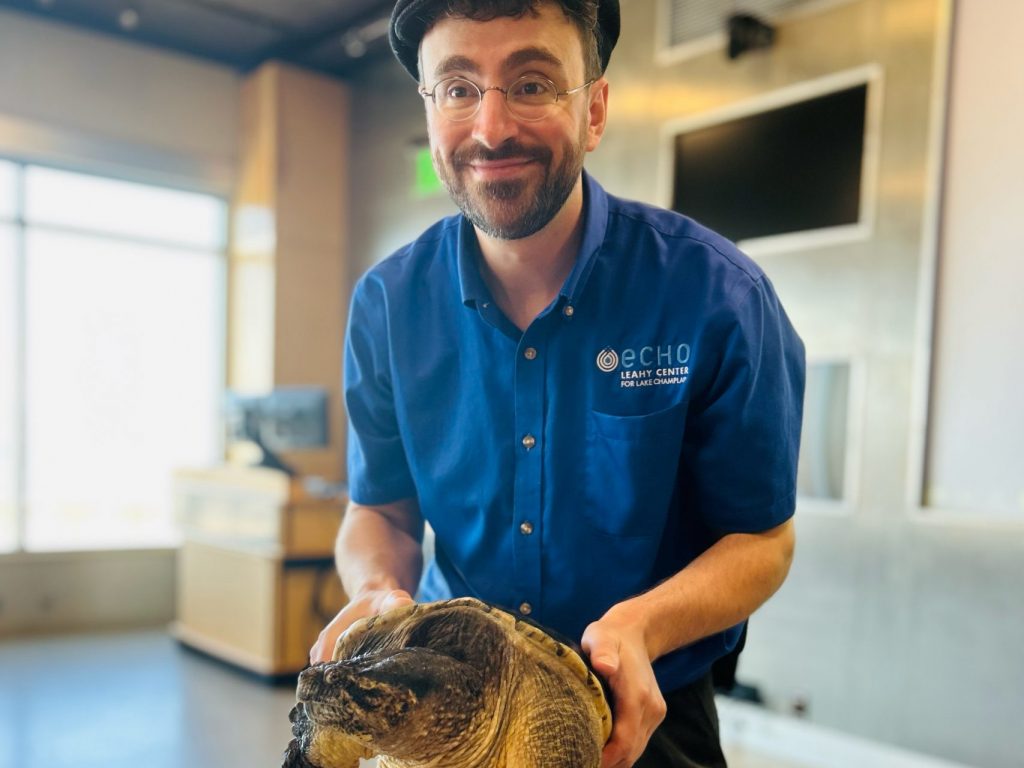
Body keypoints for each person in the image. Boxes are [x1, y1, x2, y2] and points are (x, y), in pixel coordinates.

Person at [310, 1, 805, 766]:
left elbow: (762, 541)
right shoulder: (388, 304)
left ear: (595, 109)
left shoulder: (716, 295)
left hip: (645, 713)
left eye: (533, 83)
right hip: (453, 715)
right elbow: (381, 511)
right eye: (458, 87)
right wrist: (377, 591)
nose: (491, 128)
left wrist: (641, 626)